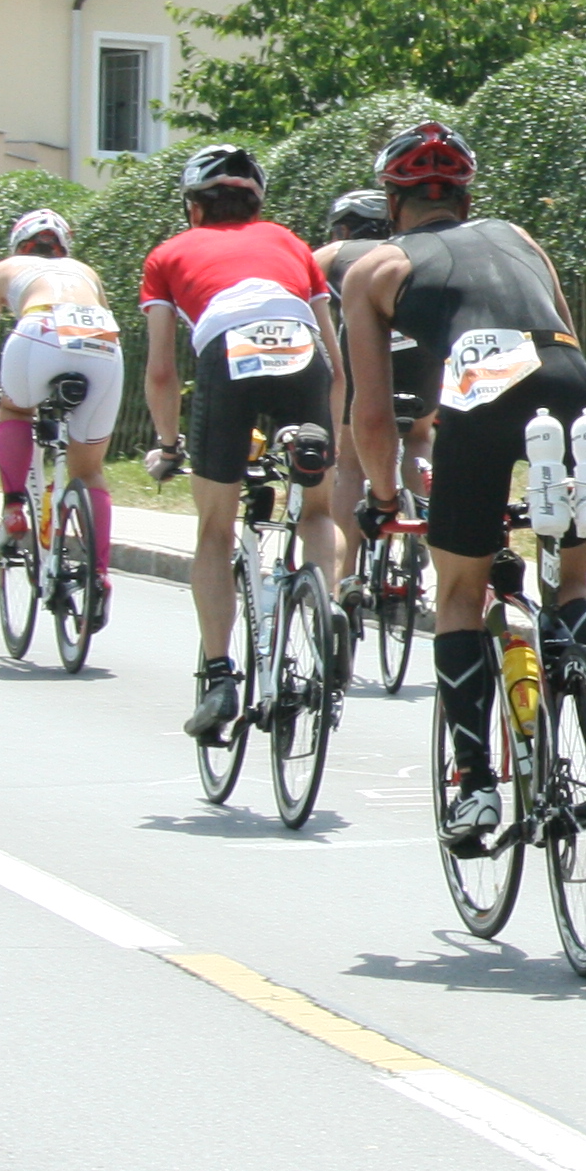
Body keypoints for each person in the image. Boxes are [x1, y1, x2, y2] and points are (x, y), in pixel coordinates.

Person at [338, 122, 586, 856]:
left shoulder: (374, 269)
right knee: (571, 582)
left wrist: (384, 499)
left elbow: (371, 416)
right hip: (570, 385)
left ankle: (475, 785)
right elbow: (564, 333)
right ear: (465, 199)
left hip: (481, 393)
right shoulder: (521, 238)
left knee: (460, 593)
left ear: (391, 204)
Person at [141, 144, 343, 743]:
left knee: (215, 529)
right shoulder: (290, 243)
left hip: (227, 356)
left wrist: (169, 445)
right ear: (256, 205)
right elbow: (336, 365)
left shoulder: (168, 253)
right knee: (317, 509)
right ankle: (327, 614)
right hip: (301, 355)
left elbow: (161, 372)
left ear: (194, 208)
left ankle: (219, 676)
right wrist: (328, 439)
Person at [0, 207, 121, 599]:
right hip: (102, 342)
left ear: (18, 246)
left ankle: (13, 507)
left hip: (39, 330)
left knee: (15, 409)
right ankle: (98, 575)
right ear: (64, 248)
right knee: (89, 470)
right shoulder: (86, 272)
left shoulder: (1, 271)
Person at [315, 187, 423, 532]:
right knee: (420, 436)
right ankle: (424, 533)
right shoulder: (413, 251)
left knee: (350, 462)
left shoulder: (333, 252)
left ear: (343, 229)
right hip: (420, 350)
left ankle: (346, 561)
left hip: (364, 350)